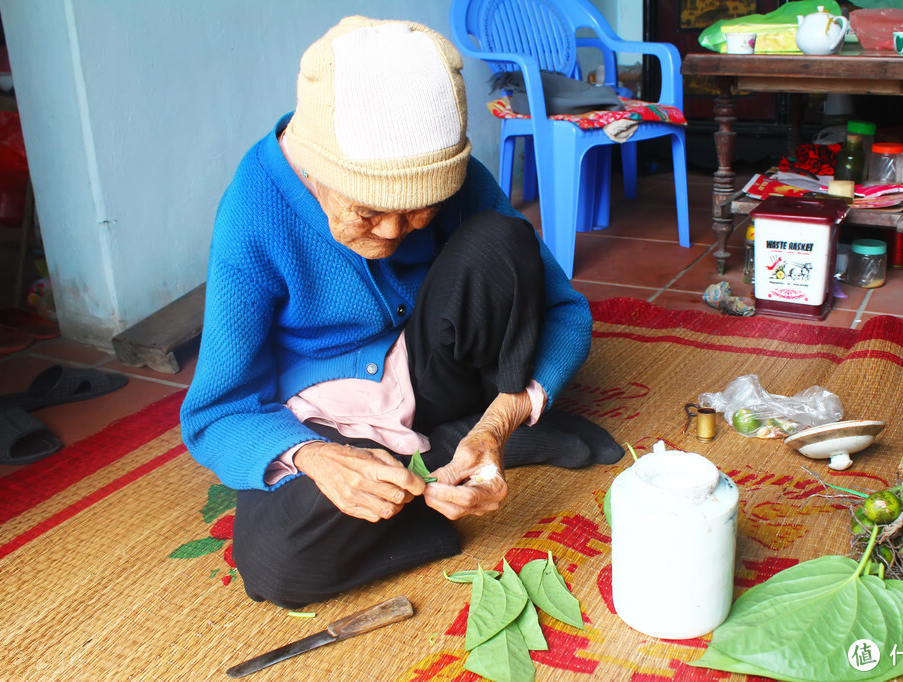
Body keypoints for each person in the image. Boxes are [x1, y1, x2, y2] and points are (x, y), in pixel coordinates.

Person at [180, 16, 620, 609]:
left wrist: (503, 416)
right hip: (333, 415)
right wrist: (315, 457)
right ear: (314, 171)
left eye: (420, 212)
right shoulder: (254, 211)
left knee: (500, 242)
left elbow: (565, 311)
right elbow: (217, 413)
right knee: (274, 565)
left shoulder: (451, 177)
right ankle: (445, 460)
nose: (391, 232)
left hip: (435, 368)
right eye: (366, 212)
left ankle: (475, 439)